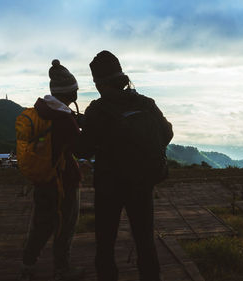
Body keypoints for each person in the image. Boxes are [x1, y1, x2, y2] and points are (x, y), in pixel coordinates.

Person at [77, 51, 173, 281]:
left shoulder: (97, 110)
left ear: (99, 83)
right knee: (145, 241)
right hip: (142, 184)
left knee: (106, 244)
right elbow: (167, 133)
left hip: (108, 186)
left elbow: (82, 150)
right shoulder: (146, 104)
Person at [17, 60, 85, 281]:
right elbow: (82, 148)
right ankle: (62, 269)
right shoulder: (64, 119)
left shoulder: (44, 111)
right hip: (63, 181)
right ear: (70, 92)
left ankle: (28, 263)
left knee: (41, 224)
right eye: (75, 89)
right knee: (65, 226)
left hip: (43, 178)